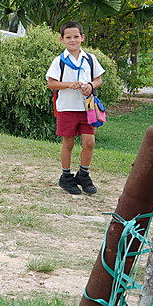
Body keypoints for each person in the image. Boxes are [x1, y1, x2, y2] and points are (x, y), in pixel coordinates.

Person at [46, 21, 105, 196]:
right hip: (66, 108)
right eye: (68, 37)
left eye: (76, 37)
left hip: (87, 108)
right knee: (68, 142)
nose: (73, 40)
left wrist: (91, 85)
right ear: (62, 39)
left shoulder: (90, 59)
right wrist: (69, 84)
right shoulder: (59, 61)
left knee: (89, 142)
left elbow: (99, 79)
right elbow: (51, 84)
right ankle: (66, 177)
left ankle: (83, 174)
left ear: (82, 38)